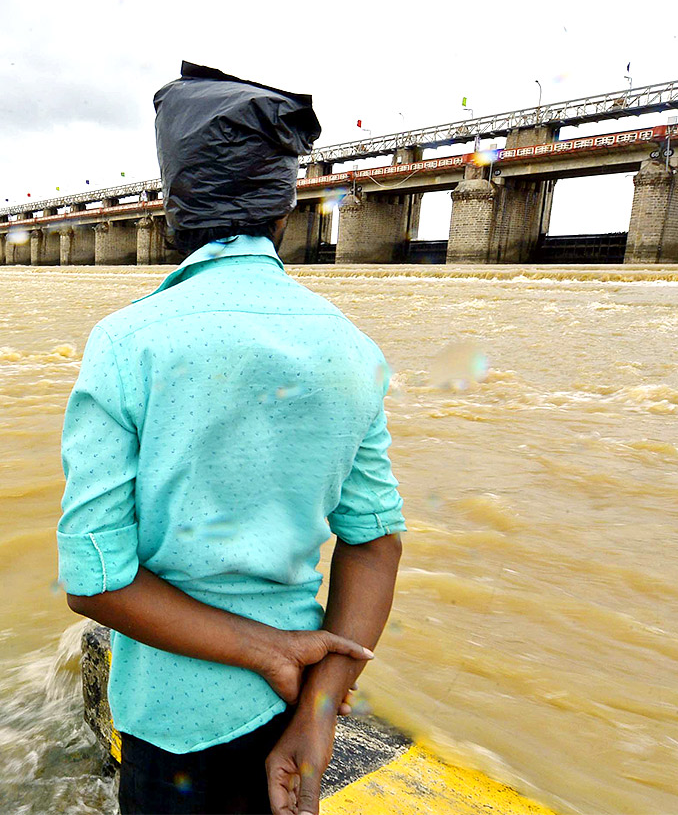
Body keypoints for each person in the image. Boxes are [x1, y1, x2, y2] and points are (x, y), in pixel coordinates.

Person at [56, 62, 405, 815]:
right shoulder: (352, 349)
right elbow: (375, 544)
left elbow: (95, 577)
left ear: (174, 209)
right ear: (284, 211)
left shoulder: (127, 343)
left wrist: (263, 651)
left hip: (175, 722)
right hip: (296, 710)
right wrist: (317, 715)